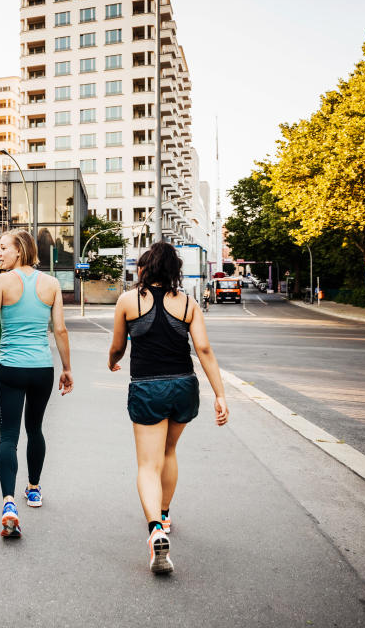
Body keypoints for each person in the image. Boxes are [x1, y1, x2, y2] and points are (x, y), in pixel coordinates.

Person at [107, 242, 229, 575]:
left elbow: (118, 347)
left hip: (148, 387)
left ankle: (155, 530)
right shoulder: (188, 304)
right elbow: (203, 349)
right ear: (174, 271)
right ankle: (164, 513)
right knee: (170, 452)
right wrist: (219, 394)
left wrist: (111, 361)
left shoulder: (128, 301)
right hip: (184, 387)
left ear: (143, 269)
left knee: (148, 464)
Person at [0, 229, 72, 539]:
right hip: (42, 368)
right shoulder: (52, 284)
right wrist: (67, 368)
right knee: (35, 429)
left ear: (20, 251)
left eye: (3, 249)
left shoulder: (1, 283)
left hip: (11, 368)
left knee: (9, 436)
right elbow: (61, 331)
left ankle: (9, 504)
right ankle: (34, 489)